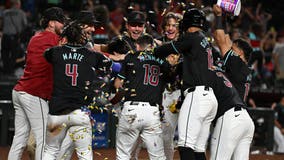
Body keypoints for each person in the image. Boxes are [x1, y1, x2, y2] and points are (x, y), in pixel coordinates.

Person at [42, 20, 113, 159]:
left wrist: (63, 45)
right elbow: (109, 64)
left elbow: (46, 54)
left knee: (50, 150)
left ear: (65, 37)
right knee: (85, 154)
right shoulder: (91, 55)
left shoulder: (55, 52)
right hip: (80, 113)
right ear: (82, 38)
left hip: (57, 112)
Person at [8, 7, 66, 160]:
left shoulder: (35, 37)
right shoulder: (55, 40)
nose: (63, 25)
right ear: (52, 23)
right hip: (34, 94)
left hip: (19, 92)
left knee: (19, 139)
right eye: (61, 22)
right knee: (43, 139)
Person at [114, 34, 178, 160]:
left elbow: (118, 84)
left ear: (137, 45)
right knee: (158, 156)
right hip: (152, 112)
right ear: (152, 46)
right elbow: (172, 80)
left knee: (123, 155)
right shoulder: (162, 62)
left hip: (131, 110)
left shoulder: (131, 57)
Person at [209, 5, 255, 160]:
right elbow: (225, 39)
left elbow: (221, 40)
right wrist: (226, 18)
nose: (229, 49)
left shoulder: (237, 63)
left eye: (233, 48)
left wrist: (219, 16)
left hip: (230, 118)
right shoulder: (244, 69)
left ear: (240, 53)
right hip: (245, 121)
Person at [1, 0, 27, 76]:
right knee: (13, 54)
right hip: (14, 36)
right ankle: (11, 71)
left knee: (4, 54)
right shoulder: (21, 13)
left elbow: (2, 24)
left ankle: (5, 71)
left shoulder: (5, 12)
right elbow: (25, 24)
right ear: (17, 4)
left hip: (5, 36)